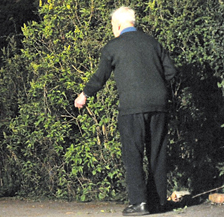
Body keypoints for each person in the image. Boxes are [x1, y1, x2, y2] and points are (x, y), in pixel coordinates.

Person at [74, 6, 177, 216]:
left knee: (133, 154)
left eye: (112, 25)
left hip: (131, 108)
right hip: (159, 105)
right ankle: (157, 202)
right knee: (157, 154)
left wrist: (84, 94)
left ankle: (139, 203)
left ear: (118, 25)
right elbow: (172, 72)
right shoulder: (153, 43)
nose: (112, 29)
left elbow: (100, 77)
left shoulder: (113, 47)